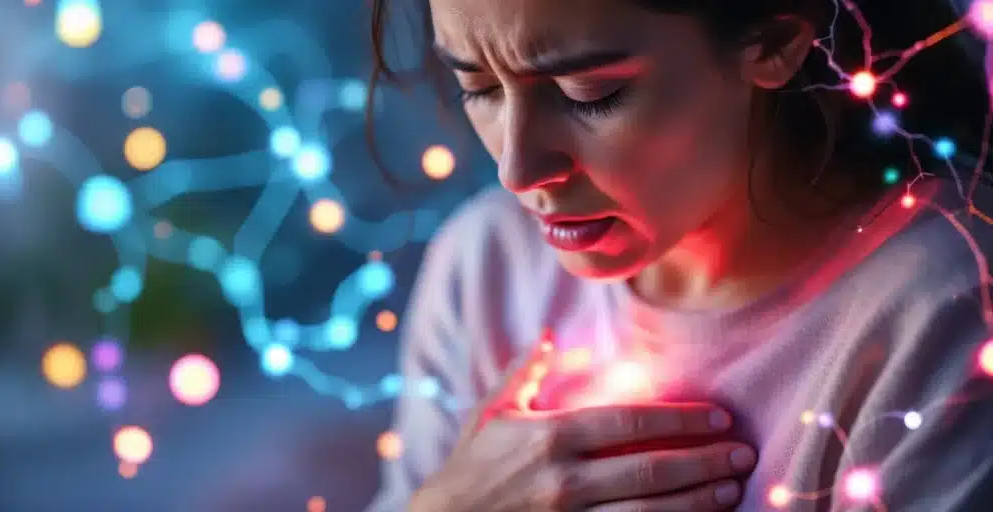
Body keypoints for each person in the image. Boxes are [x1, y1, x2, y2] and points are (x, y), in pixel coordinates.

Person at [365, 0, 993, 510]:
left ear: (773, 43)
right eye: (479, 88)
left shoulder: (949, 307)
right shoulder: (487, 264)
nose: (518, 169)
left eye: (589, 93)